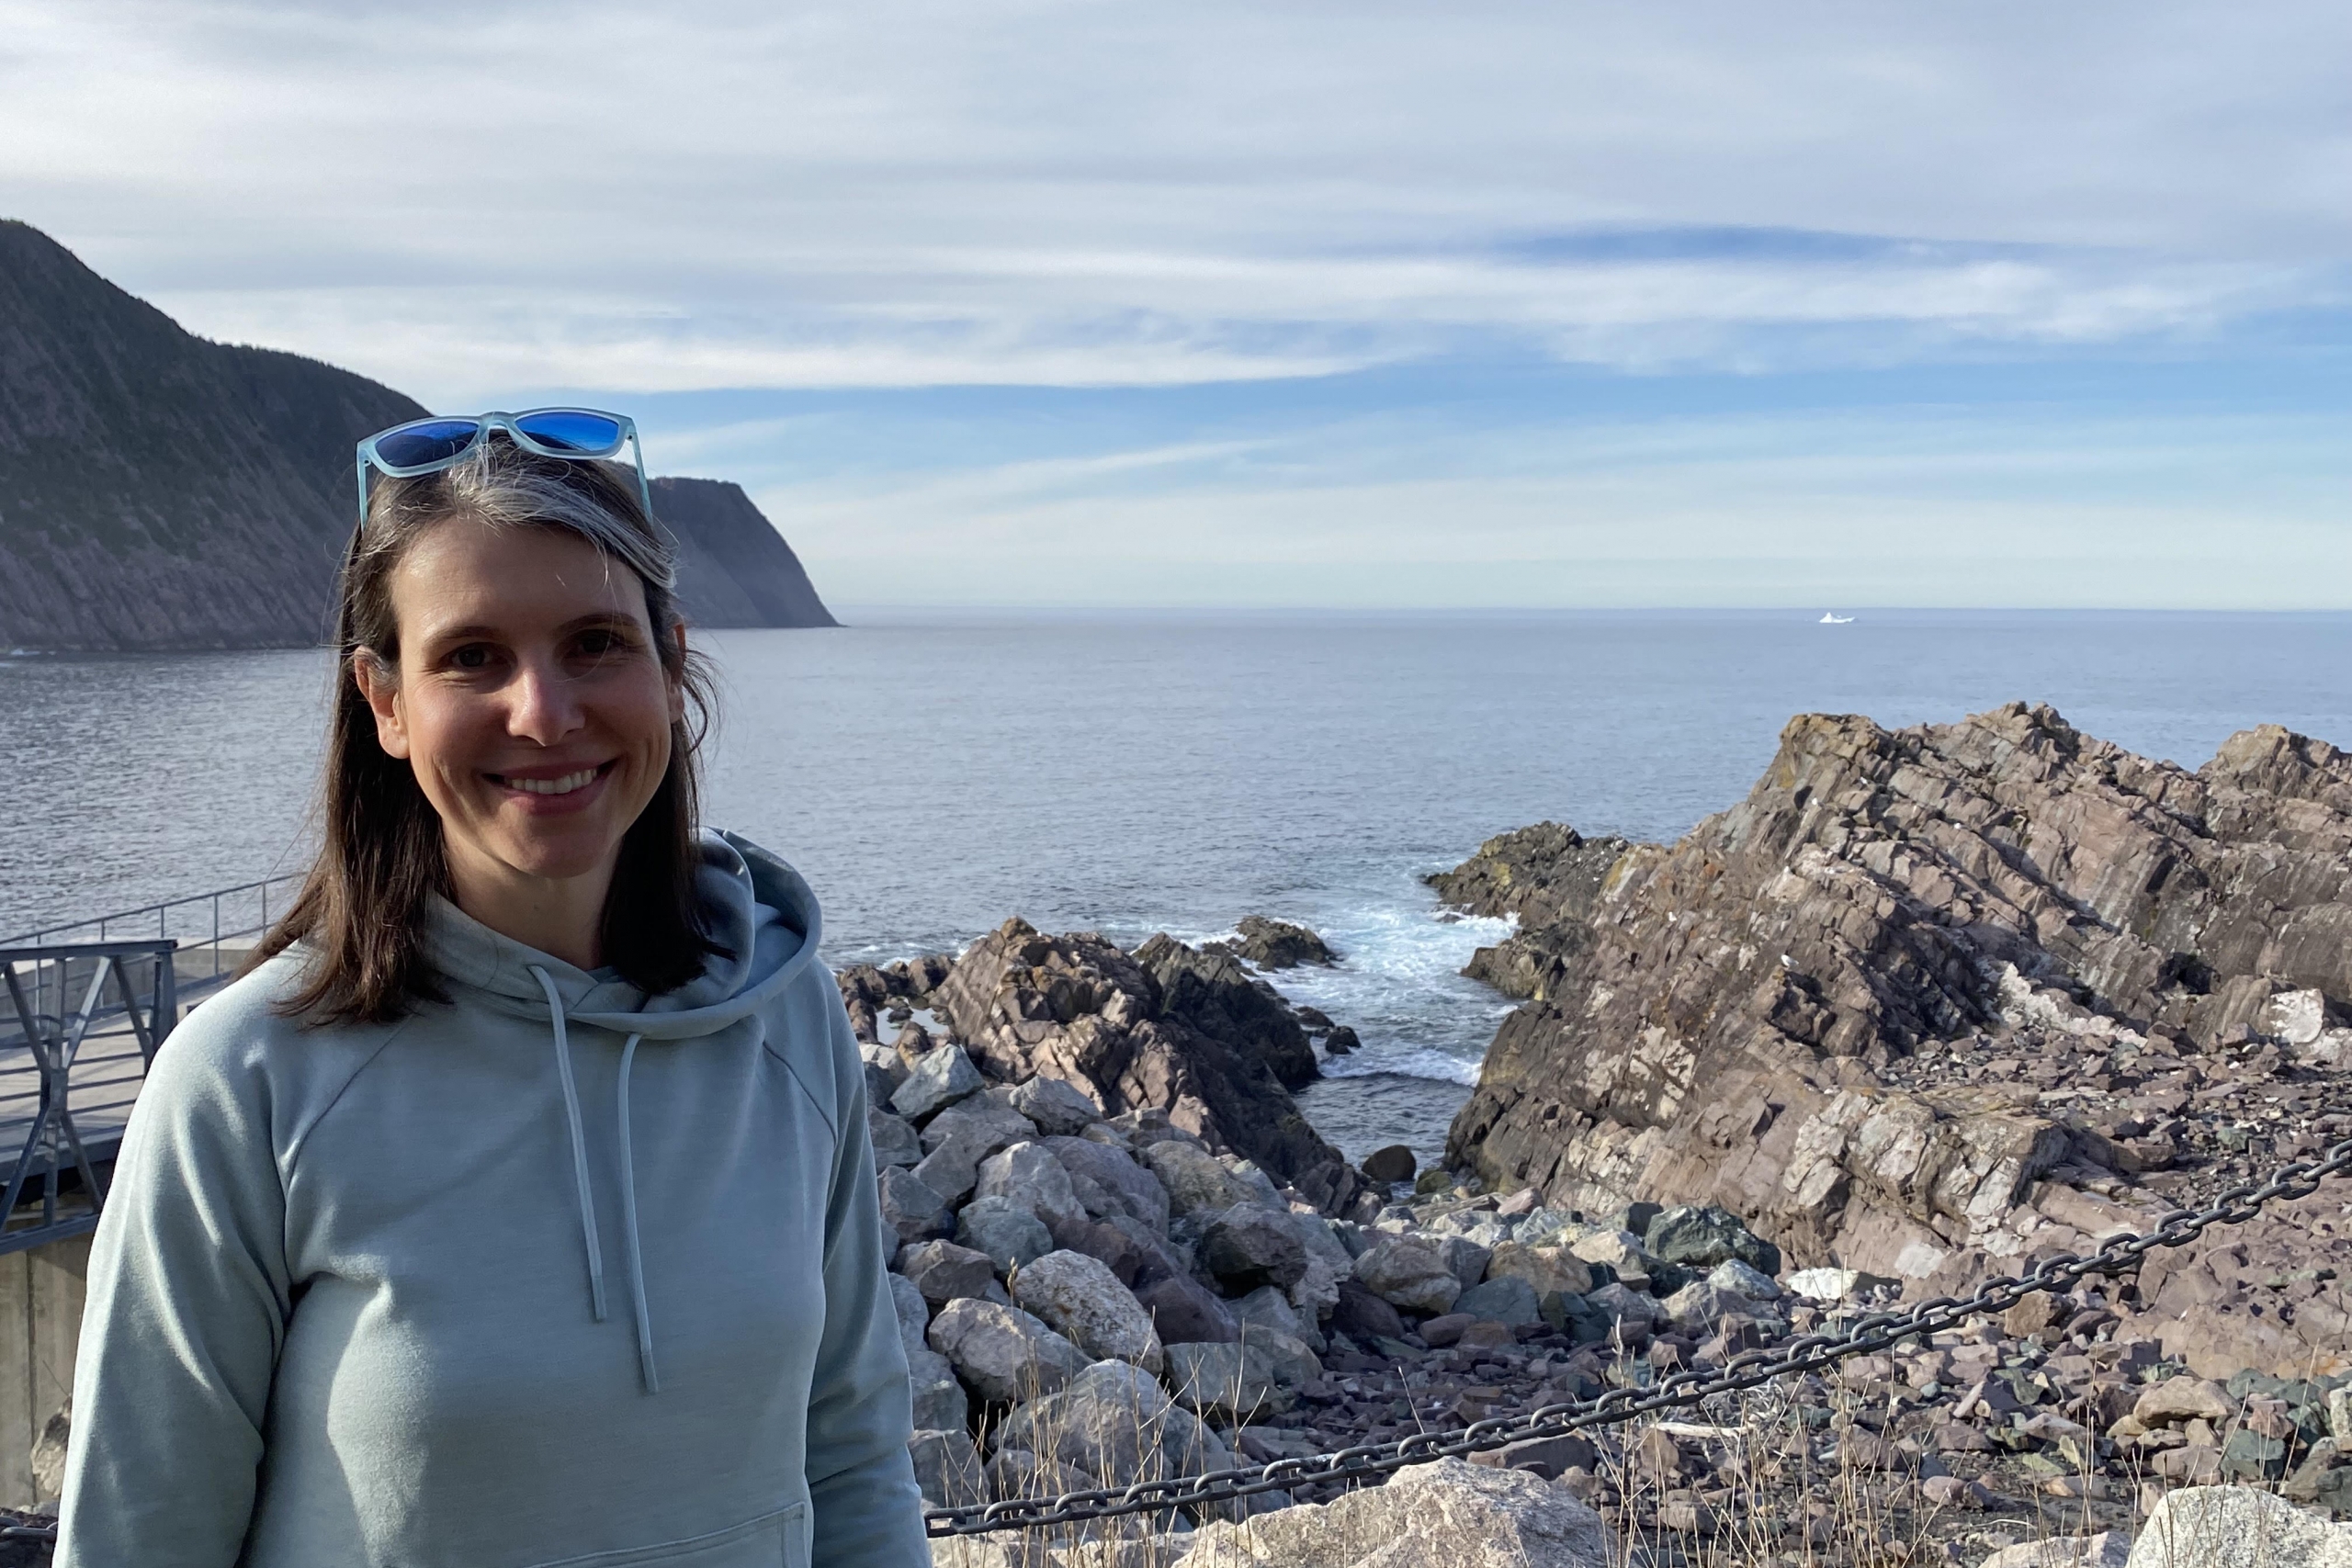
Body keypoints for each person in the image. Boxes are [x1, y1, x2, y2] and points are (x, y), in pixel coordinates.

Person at [57, 412, 929, 1566]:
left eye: (594, 644)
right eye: (471, 656)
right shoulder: (245, 1083)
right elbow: (139, 1540)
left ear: (671, 664)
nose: (543, 713)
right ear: (384, 701)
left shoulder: (786, 1015)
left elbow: (856, 1460)